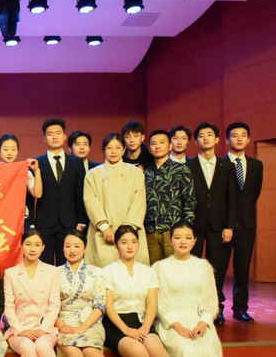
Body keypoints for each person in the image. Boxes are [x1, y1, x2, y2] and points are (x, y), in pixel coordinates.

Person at [55, 230, 140, 357]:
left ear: (85, 248)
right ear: (63, 249)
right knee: (71, 348)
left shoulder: (97, 273)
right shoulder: (55, 273)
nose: (72, 250)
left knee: (91, 350)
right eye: (68, 246)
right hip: (63, 323)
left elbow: (99, 306)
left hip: (90, 321)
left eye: (77, 246)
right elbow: (49, 306)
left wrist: (82, 328)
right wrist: (61, 324)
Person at [153, 221, 234, 357]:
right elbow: (159, 304)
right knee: (184, 348)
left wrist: (203, 323)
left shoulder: (203, 266)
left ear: (195, 241)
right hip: (171, 322)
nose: (183, 242)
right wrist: (178, 327)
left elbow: (210, 300)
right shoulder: (160, 267)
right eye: (178, 237)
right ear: (171, 240)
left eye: (188, 238)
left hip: (197, 320)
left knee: (209, 347)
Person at [103, 225, 181, 357]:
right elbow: (109, 307)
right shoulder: (107, 271)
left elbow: (152, 304)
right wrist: (126, 330)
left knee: (154, 346)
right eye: (124, 242)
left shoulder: (148, 271)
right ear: (116, 245)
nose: (129, 246)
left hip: (141, 320)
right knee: (138, 350)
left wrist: (146, 327)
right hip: (116, 324)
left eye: (133, 242)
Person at [3, 229, 67, 357]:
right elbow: (9, 307)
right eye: (28, 244)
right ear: (21, 247)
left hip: (44, 327)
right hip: (19, 329)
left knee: (42, 346)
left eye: (37, 245)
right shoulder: (11, 273)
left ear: (43, 248)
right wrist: (21, 330)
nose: (32, 249)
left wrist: (42, 329)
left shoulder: (52, 272)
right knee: (28, 347)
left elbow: (54, 305)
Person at [185, 123, 237, 325]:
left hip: (219, 225)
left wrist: (229, 226)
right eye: (201, 135)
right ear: (195, 141)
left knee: (218, 268)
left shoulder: (227, 166)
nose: (205, 138)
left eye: (209, 135)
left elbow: (233, 197)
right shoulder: (188, 166)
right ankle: (193, 308)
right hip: (194, 226)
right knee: (192, 267)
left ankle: (216, 309)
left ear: (216, 139)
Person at [83, 133, 149, 267]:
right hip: (103, 232)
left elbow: (139, 202)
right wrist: (104, 227)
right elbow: (90, 201)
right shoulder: (92, 174)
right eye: (109, 148)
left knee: (133, 269)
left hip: (131, 230)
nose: (113, 151)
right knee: (103, 269)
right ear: (104, 150)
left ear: (124, 150)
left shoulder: (136, 173)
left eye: (118, 148)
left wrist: (128, 230)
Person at [33, 117, 88, 266]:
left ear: (64, 136)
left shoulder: (76, 163)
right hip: (44, 223)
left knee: (68, 265)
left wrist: (81, 223)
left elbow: (81, 194)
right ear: (44, 138)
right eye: (50, 134)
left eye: (58, 133)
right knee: (45, 265)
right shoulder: (37, 163)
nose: (54, 137)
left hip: (70, 223)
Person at [223, 122, 262, 323]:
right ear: (227, 140)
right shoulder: (220, 164)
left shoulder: (256, 165)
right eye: (234, 135)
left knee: (242, 268)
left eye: (243, 135)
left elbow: (253, 194)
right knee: (219, 268)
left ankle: (240, 308)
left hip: (246, 224)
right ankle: (216, 308)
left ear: (248, 139)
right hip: (222, 225)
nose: (239, 138)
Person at [144, 130, 196, 263]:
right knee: (154, 269)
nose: (157, 146)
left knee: (175, 267)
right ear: (149, 148)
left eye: (162, 143)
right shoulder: (146, 172)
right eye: (153, 143)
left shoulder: (181, 169)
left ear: (170, 146)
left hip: (172, 230)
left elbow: (189, 199)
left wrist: (185, 228)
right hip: (150, 230)